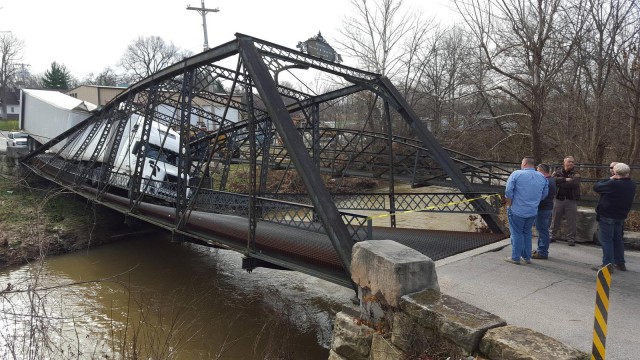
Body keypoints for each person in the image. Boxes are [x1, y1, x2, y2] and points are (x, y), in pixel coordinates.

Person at [504, 157, 549, 264]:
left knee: (516, 233)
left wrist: (509, 203)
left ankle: (515, 257)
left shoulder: (516, 174)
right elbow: (544, 194)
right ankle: (527, 257)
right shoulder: (543, 177)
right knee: (527, 233)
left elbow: (508, 191)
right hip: (532, 210)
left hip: (517, 209)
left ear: (524, 164)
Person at [592, 163, 636, 272]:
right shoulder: (632, 184)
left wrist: (610, 178)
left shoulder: (613, 184)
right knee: (618, 239)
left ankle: (607, 265)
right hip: (621, 215)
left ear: (615, 173)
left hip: (608, 214)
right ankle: (620, 262)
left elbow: (596, 187)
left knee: (606, 240)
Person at [551, 156, 581, 246]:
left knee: (571, 221)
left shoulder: (576, 173)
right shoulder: (558, 172)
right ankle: (552, 236)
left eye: (572, 162)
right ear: (564, 162)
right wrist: (564, 179)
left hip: (571, 200)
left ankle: (571, 239)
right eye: (569, 162)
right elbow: (553, 180)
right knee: (555, 219)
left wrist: (560, 184)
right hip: (558, 199)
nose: (571, 164)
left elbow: (574, 184)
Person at [532, 163, 556, 259]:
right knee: (542, 230)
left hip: (543, 208)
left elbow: (542, 195)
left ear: (541, 171)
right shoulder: (551, 180)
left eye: (538, 171)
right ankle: (540, 249)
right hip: (547, 208)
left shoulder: (547, 181)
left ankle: (542, 252)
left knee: (542, 231)